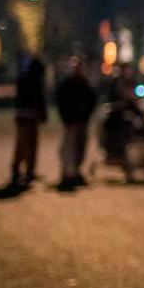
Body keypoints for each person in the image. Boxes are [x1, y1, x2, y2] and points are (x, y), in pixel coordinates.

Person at [54, 56, 97, 191]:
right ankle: (67, 173)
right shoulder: (67, 84)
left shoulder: (85, 84)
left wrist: (85, 117)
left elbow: (91, 102)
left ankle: (76, 171)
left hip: (82, 121)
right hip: (70, 121)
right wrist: (67, 118)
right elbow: (61, 102)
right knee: (68, 148)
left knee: (80, 146)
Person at [10, 49, 47, 189]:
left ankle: (20, 170)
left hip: (22, 117)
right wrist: (42, 114)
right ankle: (27, 171)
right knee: (28, 145)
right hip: (28, 118)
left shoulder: (23, 79)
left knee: (22, 145)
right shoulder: (33, 82)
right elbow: (38, 100)